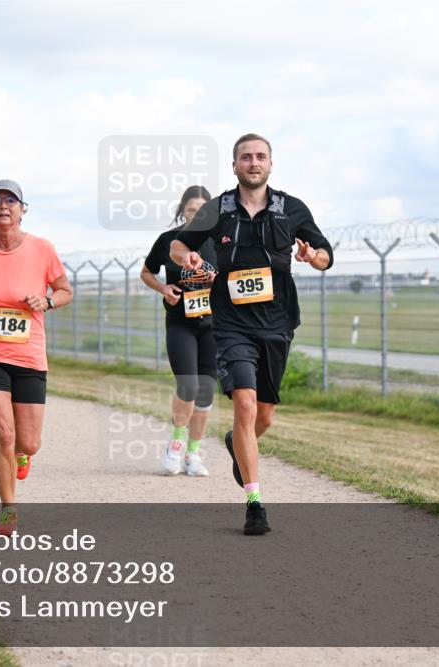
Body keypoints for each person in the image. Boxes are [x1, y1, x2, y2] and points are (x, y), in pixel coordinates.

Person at [171, 133, 334, 535]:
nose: (254, 162)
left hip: (277, 323)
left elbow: (326, 254)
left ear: (271, 164)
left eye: (261, 156)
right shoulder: (218, 208)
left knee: (264, 416)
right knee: (244, 404)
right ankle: (255, 503)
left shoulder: (291, 209)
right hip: (230, 324)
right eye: (246, 157)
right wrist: (187, 256)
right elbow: (176, 245)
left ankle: (236, 444)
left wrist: (313, 256)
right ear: (235, 165)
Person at [0, 179, 73, 535]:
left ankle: (21, 454)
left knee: (28, 442)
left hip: (29, 355)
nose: (3, 206)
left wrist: (47, 301)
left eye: (11, 201)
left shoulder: (42, 249)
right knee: (4, 433)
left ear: (22, 209)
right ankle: (8, 511)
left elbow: (65, 290)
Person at [140, 185, 217, 476]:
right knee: (188, 384)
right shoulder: (168, 241)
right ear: (182, 211)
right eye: (191, 211)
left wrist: (216, 280)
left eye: (203, 212)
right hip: (180, 322)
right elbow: (146, 272)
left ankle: (193, 455)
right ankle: (175, 446)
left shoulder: (219, 241)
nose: (196, 217)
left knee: (206, 390)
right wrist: (164, 287)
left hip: (213, 325)